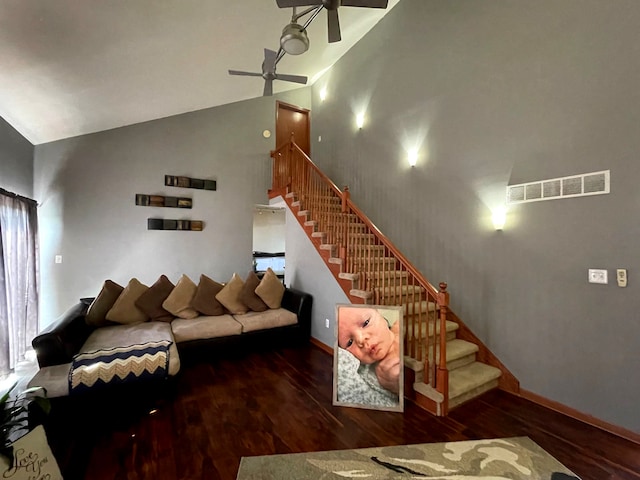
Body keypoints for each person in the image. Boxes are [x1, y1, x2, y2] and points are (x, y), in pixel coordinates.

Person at [336, 306, 401, 407]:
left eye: (366, 323)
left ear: (380, 314)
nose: (361, 339)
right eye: (349, 342)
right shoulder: (360, 374)